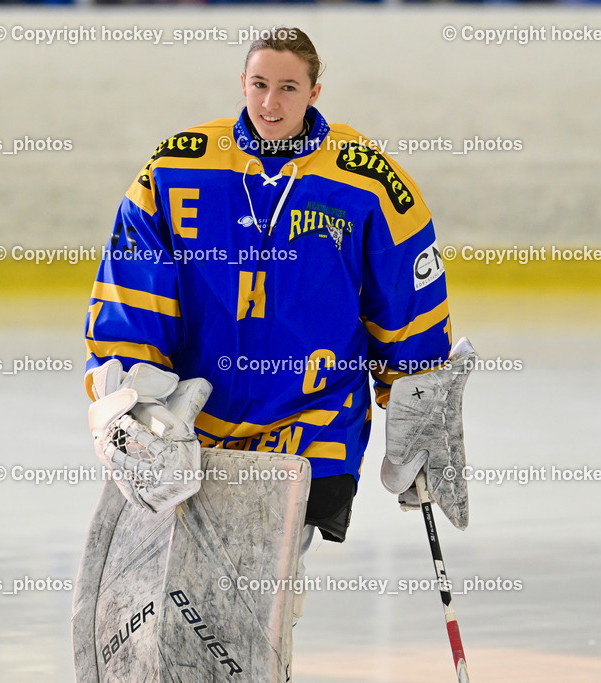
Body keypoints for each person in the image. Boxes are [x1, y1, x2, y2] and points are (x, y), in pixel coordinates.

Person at [84, 26, 461, 539]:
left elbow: (405, 302)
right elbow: (133, 287)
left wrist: (419, 413)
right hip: (196, 425)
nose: (271, 101)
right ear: (242, 83)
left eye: (288, 87)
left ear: (314, 92)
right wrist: (133, 395)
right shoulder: (177, 167)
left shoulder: (367, 181)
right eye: (260, 84)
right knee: (199, 594)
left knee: (273, 579)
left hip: (316, 420)